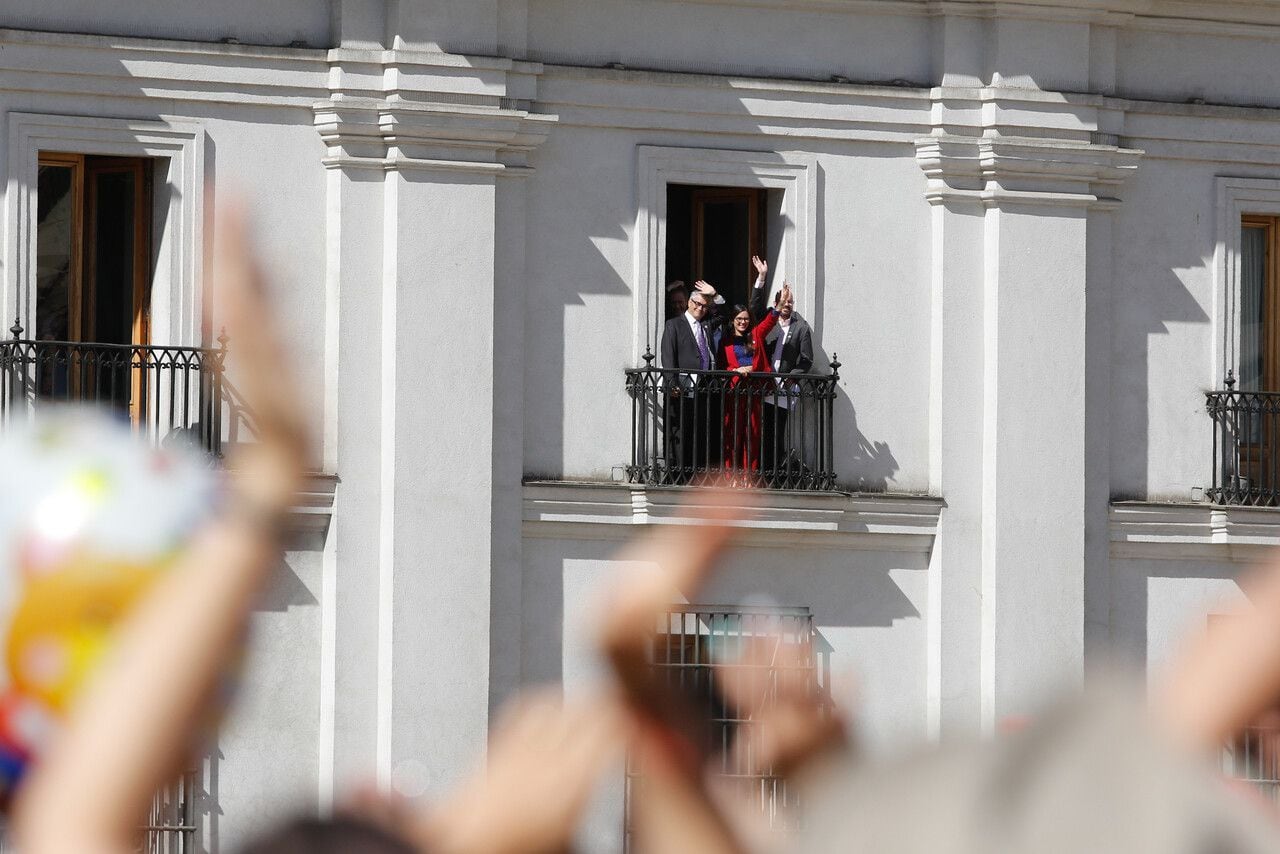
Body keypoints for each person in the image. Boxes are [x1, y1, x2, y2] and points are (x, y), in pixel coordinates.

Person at [719, 256, 790, 481]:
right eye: (739, 319)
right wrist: (735, 370)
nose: (743, 322)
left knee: (753, 434)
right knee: (732, 435)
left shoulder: (755, 335)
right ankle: (731, 477)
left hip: (754, 391)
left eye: (746, 319)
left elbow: (770, 320)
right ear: (733, 320)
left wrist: (779, 304)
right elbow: (721, 366)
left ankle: (749, 476)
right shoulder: (725, 341)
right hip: (734, 392)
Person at [659, 280, 725, 483]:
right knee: (681, 431)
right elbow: (668, 356)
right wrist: (672, 384)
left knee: (700, 432)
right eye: (696, 303)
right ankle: (680, 474)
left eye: (704, 306)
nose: (699, 308)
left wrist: (714, 294)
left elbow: (724, 314)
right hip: (681, 387)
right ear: (689, 303)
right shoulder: (674, 324)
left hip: (704, 387)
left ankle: (697, 474)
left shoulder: (706, 325)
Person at [761, 282, 814, 483]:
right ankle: (761, 471)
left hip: (784, 387)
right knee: (762, 430)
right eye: (785, 301)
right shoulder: (769, 322)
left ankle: (773, 473)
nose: (788, 305)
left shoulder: (801, 328)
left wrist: (791, 376)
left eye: (791, 302)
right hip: (763, 384)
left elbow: (806, 359)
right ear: (776, 303)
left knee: (777, 430)